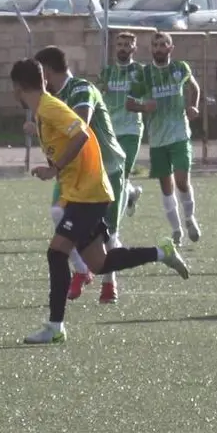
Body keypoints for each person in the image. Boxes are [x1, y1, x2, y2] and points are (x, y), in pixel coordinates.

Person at [10, 58, 188, 345]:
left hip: (88, 193)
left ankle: (55, 326)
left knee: (56, 253)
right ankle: (162, 252)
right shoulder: (44, 110)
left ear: (18, 87)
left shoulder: (50, 107)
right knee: (99, 262)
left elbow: (81, 133)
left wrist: (55, 168)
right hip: (79, 193)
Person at [33, 46, 127, 304]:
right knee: (57, 211)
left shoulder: (81, 89)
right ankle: (82, 269)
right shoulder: (51, 98)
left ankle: (109, 283)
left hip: (106, 167)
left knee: (109, 231)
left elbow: (80, 127)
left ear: (46, 71)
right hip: (75, 169)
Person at [126, 32, 202, 246]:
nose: (158, 48)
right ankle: (176, 230)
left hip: (179, 135)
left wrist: (193, 106)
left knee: (182, 181)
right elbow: (129, 103)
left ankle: (190, 218)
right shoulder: (145, 74)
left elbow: (194, 87)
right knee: (166, 186)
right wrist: (144, 107)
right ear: (151, 49)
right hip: (158, 139)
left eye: (163, 44)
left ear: (171, 48)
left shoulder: (180, 68)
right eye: (155, 45)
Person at [99, 31, 146, 218]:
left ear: (134, 48)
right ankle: (131, 194)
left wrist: (142, 106)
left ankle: (113, 227)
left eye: (127, 45)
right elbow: (98, 95)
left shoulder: (141, 72)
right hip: (110, 130)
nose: (123, 48)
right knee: (109, 174)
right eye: (120, 45)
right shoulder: (107, 72)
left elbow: (149, 97)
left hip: (131, 129)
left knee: (122, 176)